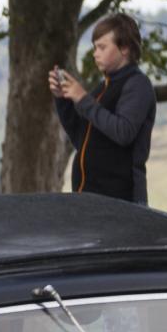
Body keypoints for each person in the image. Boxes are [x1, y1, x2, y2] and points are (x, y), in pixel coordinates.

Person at [51, 13, 157, 204]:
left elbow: (123, 132)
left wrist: (83, 99)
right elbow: (81, 138)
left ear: (124, 48)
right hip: (90, 202)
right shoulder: (102, 88)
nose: (95, 53)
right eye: (94, 47)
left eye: (102, 47)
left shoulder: (138, 85)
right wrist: (63, 100)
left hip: (123, 204)